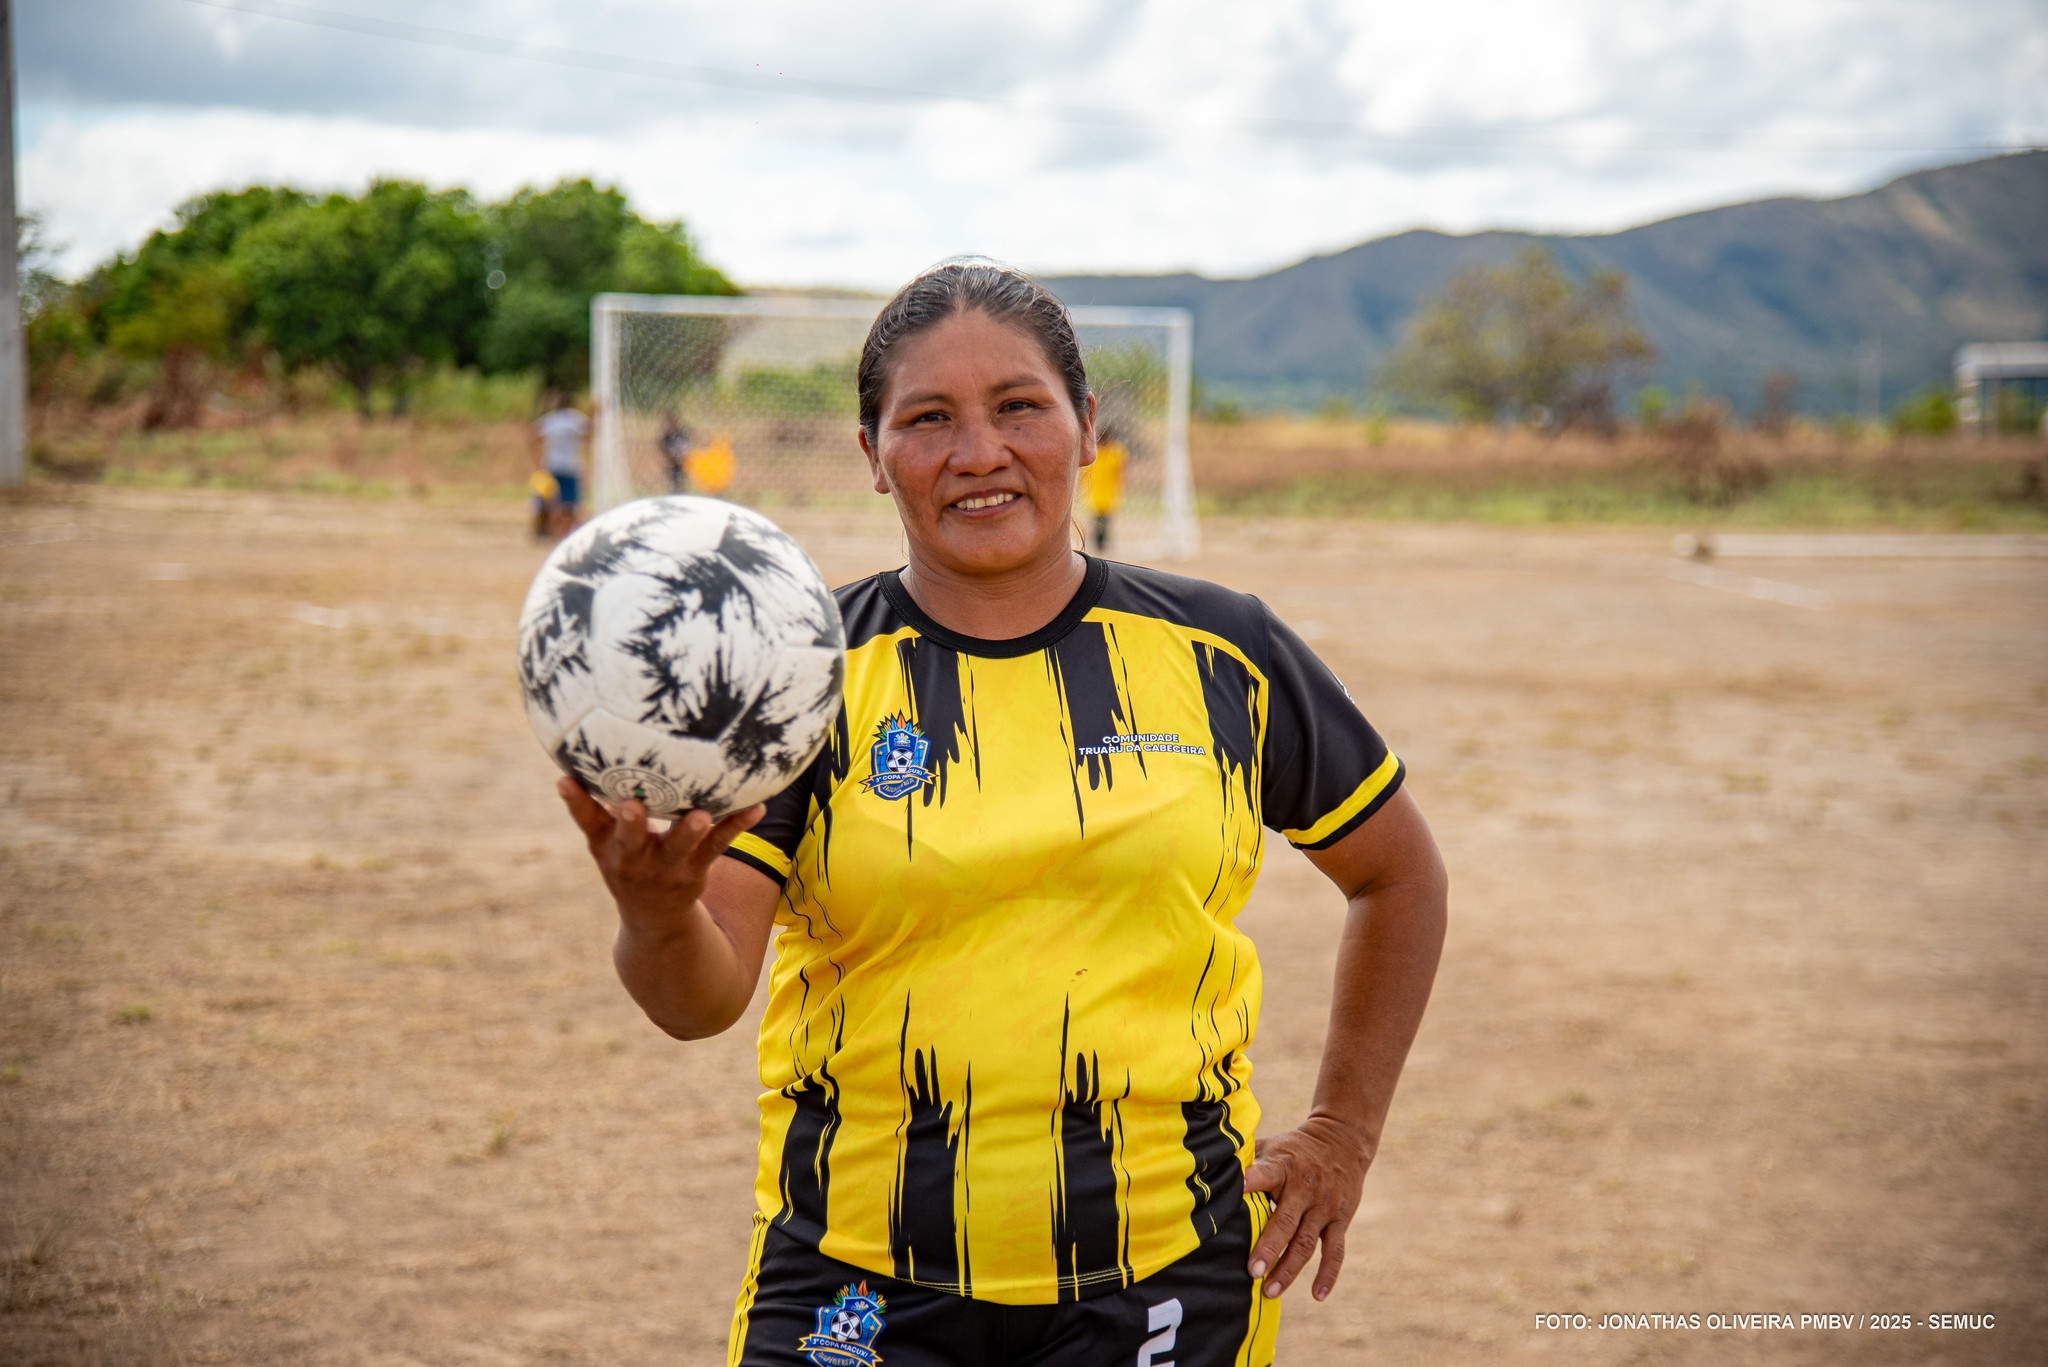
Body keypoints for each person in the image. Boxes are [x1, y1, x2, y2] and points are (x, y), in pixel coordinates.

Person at [554, 261, 1447, 1367]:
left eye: (1017, 405)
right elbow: (701, 996)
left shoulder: (1225, 651)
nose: (979, 451)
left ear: (1083, 424)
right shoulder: (795, 676)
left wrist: (1341, 1133)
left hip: (1164, 1278)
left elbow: (1398, 873)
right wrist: (653, 912)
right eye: (926, 418)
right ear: (873, 457)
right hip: (853, 1279)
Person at [532, 393, 590, 538]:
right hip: (570, 466)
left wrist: (537, 459)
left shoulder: (551, 419)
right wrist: (595, 412)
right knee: (571, 504)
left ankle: (555, 532)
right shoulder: (575, 418)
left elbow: (534, 434)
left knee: (554, 503)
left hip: (552, 465)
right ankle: (567, 532)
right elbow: (590, 431)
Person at [1088, 419, 1126, 552]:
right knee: (1097, 517)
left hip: (1109, 489)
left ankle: (1103, 542)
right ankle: (1098, 541)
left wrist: (1121, 484)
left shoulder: (1115, 452)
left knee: (1106, 518)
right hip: (1095, 490)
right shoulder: (1095, 453)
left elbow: (1121, 470)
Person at [659, 410, 694, 495]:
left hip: (682, 463)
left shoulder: (682, 433)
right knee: (673, 484)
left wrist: (684, 455)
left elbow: (688, 444)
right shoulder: (667, 436)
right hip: (671, 464)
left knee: (682, 484)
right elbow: (662, 447)